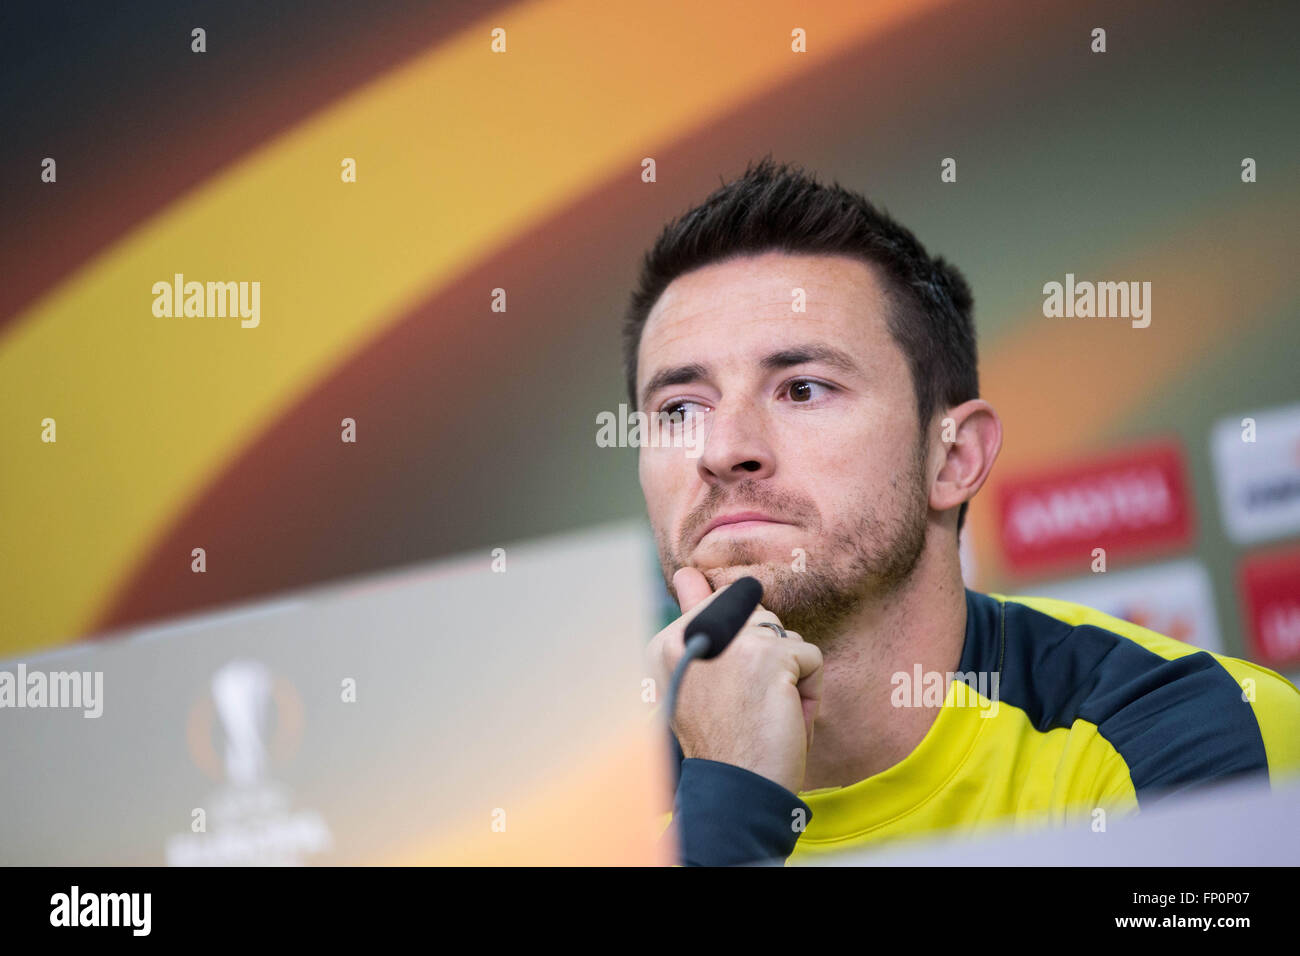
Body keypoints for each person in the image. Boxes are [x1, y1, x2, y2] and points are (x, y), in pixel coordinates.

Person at [626, 157, 1300, 866]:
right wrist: (729, 800)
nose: (725, 449)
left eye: (802, 390)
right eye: (679, 409)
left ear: (953, 458)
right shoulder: (563, 810)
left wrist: (729, 819)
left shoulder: (1189, 734)